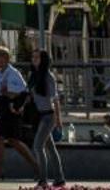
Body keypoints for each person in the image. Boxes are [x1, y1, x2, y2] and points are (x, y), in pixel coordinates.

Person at [0, 47, 43, 180]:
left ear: (4, 58)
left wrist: (8, 92)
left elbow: (23, 91)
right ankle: (37, 168)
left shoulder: (13, 73)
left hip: (12, 109)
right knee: (14, 141)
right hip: (4, 108)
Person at [29, 49, 67, 187]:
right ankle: (59, 178)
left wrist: (58, 119)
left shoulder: (48, 76)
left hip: (48, 116)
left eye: (37, 57)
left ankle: (43, 179)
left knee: (38, 146)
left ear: (43, 59)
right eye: (33, 57)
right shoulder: (33, 75)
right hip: (39, 115)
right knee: (50, 148)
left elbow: (55, 99)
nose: (34, 60)